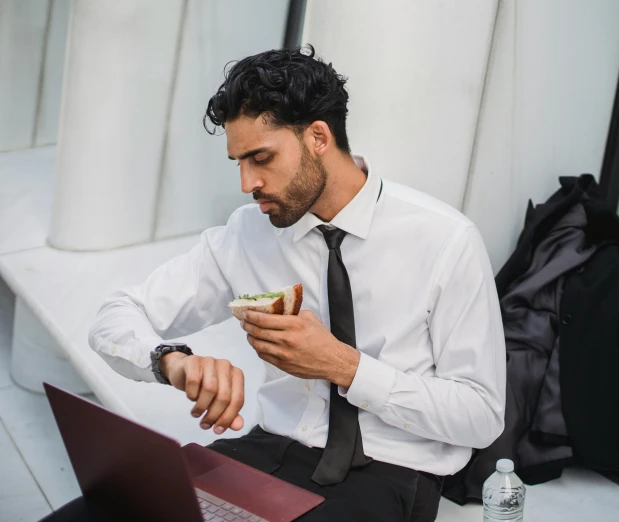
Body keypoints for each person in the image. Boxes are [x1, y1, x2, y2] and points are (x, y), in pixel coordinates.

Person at [86, 46, 506, 521]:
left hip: (388, 474)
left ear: (318, 138)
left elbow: (481, 415)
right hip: (266, 452)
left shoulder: (445, 240)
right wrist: (173, 363)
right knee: (103, 510)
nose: (247, 183)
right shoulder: (247, 232)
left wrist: (345, 366)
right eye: (238, 162)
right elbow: (115, 316)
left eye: (261, 158)